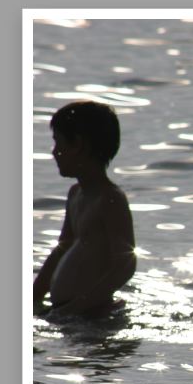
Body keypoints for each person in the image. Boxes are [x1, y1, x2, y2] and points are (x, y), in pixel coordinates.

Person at [32, 101, 136, 319]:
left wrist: (76, 307)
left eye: (58, 142)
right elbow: (62, 249)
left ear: (78, 144)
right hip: (68, 313)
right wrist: (34, 296)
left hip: (96, 316)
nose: (54, 152)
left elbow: (125, 263)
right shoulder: (75, 194)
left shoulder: (110, 199)